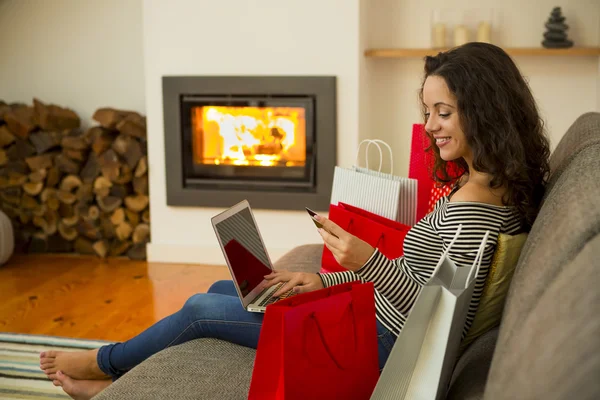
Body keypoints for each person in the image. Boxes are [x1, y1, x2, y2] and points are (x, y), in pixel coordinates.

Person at [40, 42, 550, 400]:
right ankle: (113, 382)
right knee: (233, 286)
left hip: (376, 345)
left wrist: (366, 259)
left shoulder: (475, 215)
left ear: (483, 110)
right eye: (427, 111)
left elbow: (431, 314)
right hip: (370, 321)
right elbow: (419, 282)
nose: (430, 126)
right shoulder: (487, 184)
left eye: (443, 111)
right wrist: (323, 279)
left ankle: (101, 362)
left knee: (200, 307)